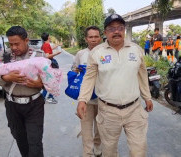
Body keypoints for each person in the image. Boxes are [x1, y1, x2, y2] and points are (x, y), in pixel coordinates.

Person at [77, 14, 154, 157]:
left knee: (139, 150)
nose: (116, 31)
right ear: (105, 32)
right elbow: (89, 78)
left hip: (134, 110)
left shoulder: (136, 50)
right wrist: (82, 100)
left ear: (124, 30)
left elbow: (142, 75)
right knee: (109, 151)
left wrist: (147, 97)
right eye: (112, 28)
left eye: (120, 28)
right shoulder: (97, 52)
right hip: (108, 111)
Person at [0, 26, 45, 157]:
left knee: (35, 142)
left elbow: (51, 79)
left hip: (34, 105)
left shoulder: (39, 56)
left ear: (26, 40)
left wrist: (40, 83)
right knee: (20, 139)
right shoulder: (4, 55)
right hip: (12, 105)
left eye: (17, 44)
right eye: (11, 44)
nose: (14, 47)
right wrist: (5, 78)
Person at [73, 26, 102, 157]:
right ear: (86, 39)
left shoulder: (106, 53)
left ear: (100, 38)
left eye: (96, 36)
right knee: (86, 128)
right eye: (91, 37)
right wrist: (77, 70)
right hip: (86, 99)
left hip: (103, 98)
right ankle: (88, 153)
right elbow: (74, 69)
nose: (94, 39)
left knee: (100, 127)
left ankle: (97, 145)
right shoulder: (80, 54)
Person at [41, 32, 61, 104]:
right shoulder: (46, 45)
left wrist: (57, 45)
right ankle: (50, 97)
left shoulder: (45, 45)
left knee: (49, 81)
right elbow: (47, 56)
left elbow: (50, 49)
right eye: (49, 36)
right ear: (48, 37)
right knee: (52, 81)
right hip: (49, 64)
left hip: (46, 65)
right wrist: (57, 53)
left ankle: (43, 97)